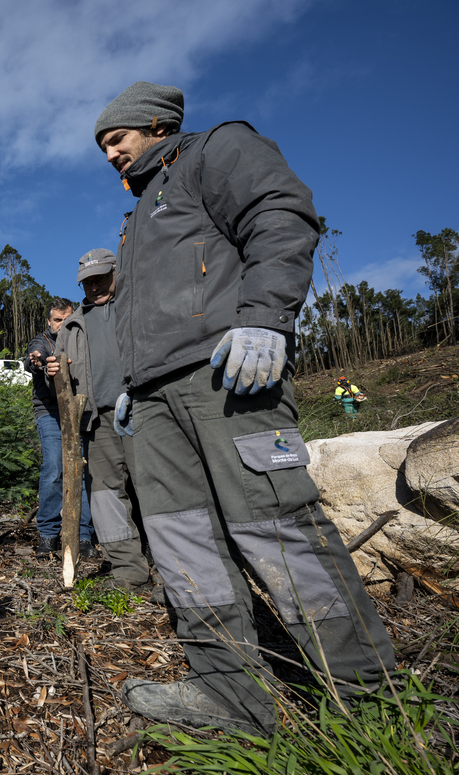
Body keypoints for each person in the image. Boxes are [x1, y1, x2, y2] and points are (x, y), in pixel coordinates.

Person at [94, 81, 395, 734]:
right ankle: (230, 696)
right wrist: (130, 385)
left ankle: (372, 702)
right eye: (103, 147)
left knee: (276, 528)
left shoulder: (217, 150)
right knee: (182, 543)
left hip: (227, 377)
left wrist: (265, 318)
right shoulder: (137, 214)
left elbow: (280, 216)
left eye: (117, 139)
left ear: (156, 124)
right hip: (154, 402)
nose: (110, 153)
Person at [50, 250, 152, 592]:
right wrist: (53, 372)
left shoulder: (138, 306)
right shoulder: (72, 326)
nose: (94, 287)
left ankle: (176, 569)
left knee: (156, 489)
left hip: (144, 410)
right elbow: (62, 382)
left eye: (101, 279)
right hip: (96, 420)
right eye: (87, 282)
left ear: (116, 273)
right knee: (106, 496)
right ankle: (128, 571)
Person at [26, 299, 96, 558]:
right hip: (50, 411)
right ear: (49, 321)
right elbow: (34, 358)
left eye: (67, 319)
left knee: (81, 468)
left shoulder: (83, 339)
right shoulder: (42, 341)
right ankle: (48, 533)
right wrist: (37, 361)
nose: (62, 324)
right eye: (57, 320)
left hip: (79, 409)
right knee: (55, 467)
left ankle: (83, 535)